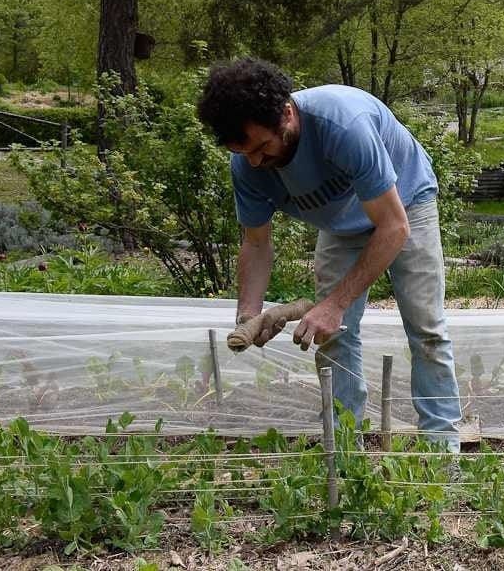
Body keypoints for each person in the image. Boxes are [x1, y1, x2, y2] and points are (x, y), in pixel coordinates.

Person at [197, 57, 462, 452]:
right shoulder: (247, 166)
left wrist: (335, 303)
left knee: (426, 330)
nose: (255, 161)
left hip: (404, 206)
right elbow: (256, 242)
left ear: (286, 114)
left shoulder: (343, 126)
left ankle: (443, 455)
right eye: (244, 152)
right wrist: (249, 316)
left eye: (261, 147)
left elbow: (394, 227)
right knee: (332, 338)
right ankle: (345, 456)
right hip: (341, 224)